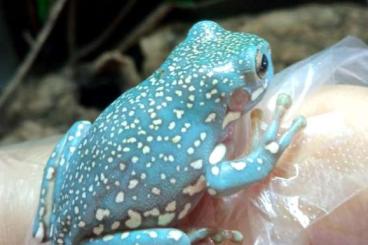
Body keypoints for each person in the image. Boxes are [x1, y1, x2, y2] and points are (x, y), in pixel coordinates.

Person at [1, 85, 367, 245]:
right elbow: (220, 180)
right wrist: (269, 151)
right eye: (259, 69)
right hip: (92, 232)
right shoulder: (207, 128)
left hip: (69, 198)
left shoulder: (196, 114)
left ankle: (38, 224)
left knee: (81, 129)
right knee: (175, 238)